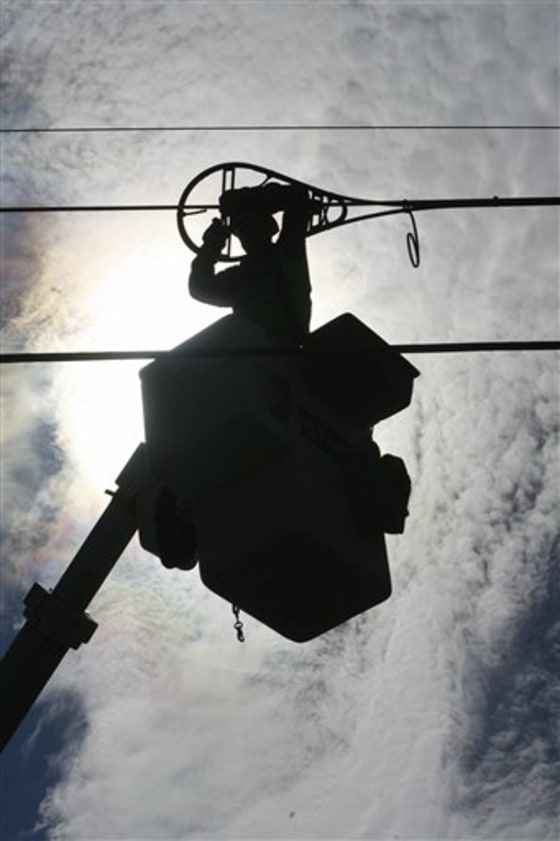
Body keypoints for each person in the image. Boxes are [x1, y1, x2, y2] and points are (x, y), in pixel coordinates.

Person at [189, 182, 313, 342]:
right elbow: (200, 288)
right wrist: (211, 246)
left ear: (267, 229)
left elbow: (298, 196)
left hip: (286, 349)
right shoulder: (238, 276)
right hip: (250, 354)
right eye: (243, 230)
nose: (248, 234)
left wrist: (250, 199)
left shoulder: (288, 252)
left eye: (253, 226)